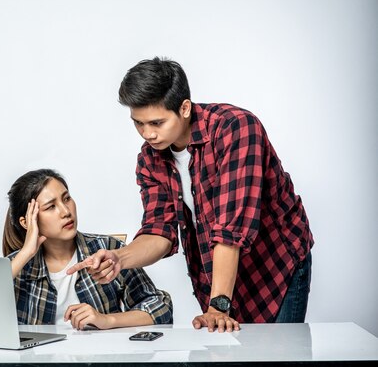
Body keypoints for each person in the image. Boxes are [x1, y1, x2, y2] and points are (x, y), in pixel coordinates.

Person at [68, 57, 314, 333]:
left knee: (278, 359)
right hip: (217, 277)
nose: (148, 134)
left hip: (275, 266)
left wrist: (218, 306)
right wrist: (120, 259)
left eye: (157, 122)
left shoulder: (236, 129)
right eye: (138, 123)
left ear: (184, 108)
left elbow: (230, 230)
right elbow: (159, 231)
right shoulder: (150, 160)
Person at [3, 168, 173, 330]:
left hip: (102, 358)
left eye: (66, 198)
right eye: (51, 206)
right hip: (36, 361)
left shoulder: (106, 250)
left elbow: (161, 306)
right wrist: (26, 252)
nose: (65, 211)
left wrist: (107, 320)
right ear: (26, 221)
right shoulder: (16, 266)